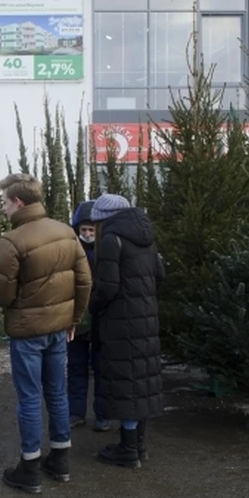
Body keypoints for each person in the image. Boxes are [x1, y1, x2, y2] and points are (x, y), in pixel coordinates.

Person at [0, 174, 92, 493]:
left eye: (5, 202)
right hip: (59, 329)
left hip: (27, 331)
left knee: (31, 397)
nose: (4, 207)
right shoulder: (66, 232)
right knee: (57, 394)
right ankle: (60, 462)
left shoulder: (12, 241)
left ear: (18, 202)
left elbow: (0, 295)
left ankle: (30, 468)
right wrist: (73, 319)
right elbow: (84, 282)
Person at [87, 193, 165, 469]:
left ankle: (128, 450)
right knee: (141, 381)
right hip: (147, 320)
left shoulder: (112, 240)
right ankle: (139, 446)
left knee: (126, 384)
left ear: (104, 219)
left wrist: (91, 307)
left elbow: (108, 287)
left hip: (121, 322)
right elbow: (160, 275)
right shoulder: (147, 237)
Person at [67, 200, 110, 432]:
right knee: (76, 367)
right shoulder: (72, 250)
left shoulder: (107, 250)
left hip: (101, 318)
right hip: (77, 320)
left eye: (91, 230)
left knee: (102, 368)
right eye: (83, 230)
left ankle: (102, 414)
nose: (87, 234)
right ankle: (76, 412)